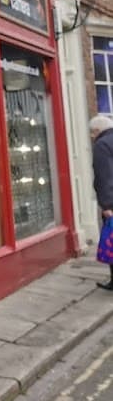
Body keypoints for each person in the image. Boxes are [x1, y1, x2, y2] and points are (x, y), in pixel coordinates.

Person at [89, 115, 113, 289]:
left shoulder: (101, 145)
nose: (91, 136)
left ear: (98, 130)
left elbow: (104, 177)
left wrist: (106, 205)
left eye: (92, 132)